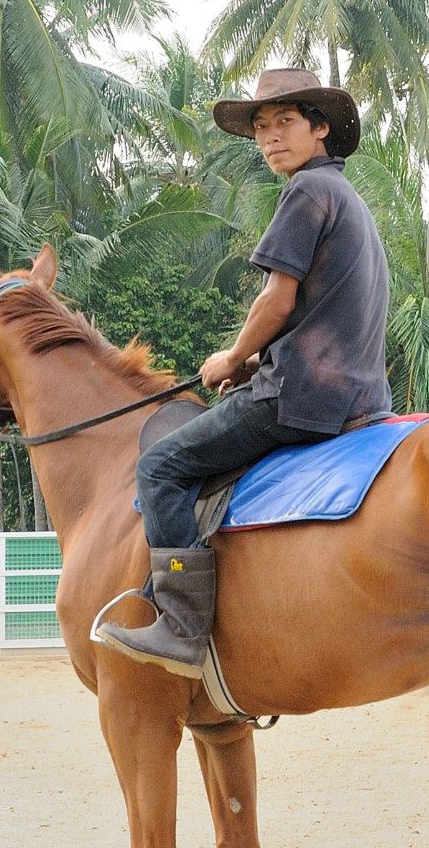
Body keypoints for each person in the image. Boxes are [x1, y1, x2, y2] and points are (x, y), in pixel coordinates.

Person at [96, 67, 394, 677]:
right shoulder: (346, 197)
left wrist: (233, 357)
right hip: (359, 393)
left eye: (285, 122)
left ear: (320, 129)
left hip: (299, 399)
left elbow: (276, 301)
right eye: (261, 127)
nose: (270, 137)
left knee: (160, 466)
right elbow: (322, 315)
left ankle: (181, 626)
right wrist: (260, 358)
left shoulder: (306, 191)